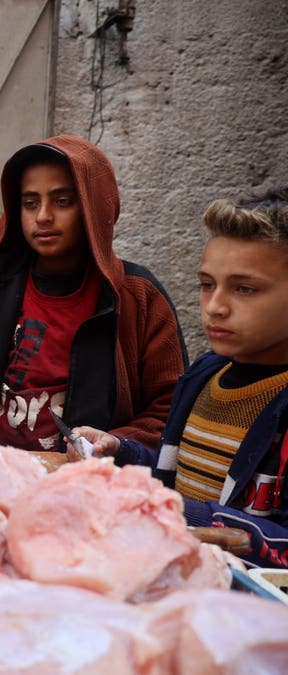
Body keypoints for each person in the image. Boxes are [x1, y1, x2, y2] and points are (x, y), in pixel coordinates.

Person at [0, 135, 187, 452]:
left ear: (93, 207)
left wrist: (116, 444)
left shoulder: (139, 297)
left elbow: (170, 408)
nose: (43, 216)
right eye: (30, 203)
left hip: (89, 479)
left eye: (62, 201)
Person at [71, 185, 288, 567]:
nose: (215, 306)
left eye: (244, 289)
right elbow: (176, 473)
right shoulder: (203, 377)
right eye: (207, 285)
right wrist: (121, 454)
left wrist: (182, 512)